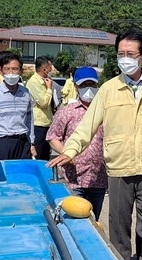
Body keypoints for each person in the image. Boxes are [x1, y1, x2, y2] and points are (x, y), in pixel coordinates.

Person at [48, 29, 142, 260]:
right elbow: (87, 126)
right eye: (121, 54)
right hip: (118, 169)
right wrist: (70, 150)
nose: (125, 59)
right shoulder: (108, 89)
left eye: (131, 54)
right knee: (118, 231)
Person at [46, 67, 107, 219]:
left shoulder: (106, 111)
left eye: (91, 85)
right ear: (75, 87)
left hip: (98, 178)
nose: (88, 89)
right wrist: (66, 153)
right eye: (83, 85)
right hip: (74, 178)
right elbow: (53, 137)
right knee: (75, 219)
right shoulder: (67, 111)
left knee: (94, 219)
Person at [0, 53, 36, 161]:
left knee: (21, 176)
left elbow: (29, 120)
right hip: (1, 143)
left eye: (14, 69)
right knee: (3, 175)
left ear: (21, 71)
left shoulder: (25, 92)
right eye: (7, 69)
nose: (11, 73)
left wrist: (32, 143)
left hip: (22, 143)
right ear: (1, 71)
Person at [26, 56, 55, 160]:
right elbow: (43, 103)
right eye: (50, 68)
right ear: (44, 69)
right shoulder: (34, 82)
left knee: (45, 154)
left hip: (47, 122)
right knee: (38, 154)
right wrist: (49, 89)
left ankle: (45, 175)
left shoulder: (46, 80)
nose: (51, 70)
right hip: (38, 124)